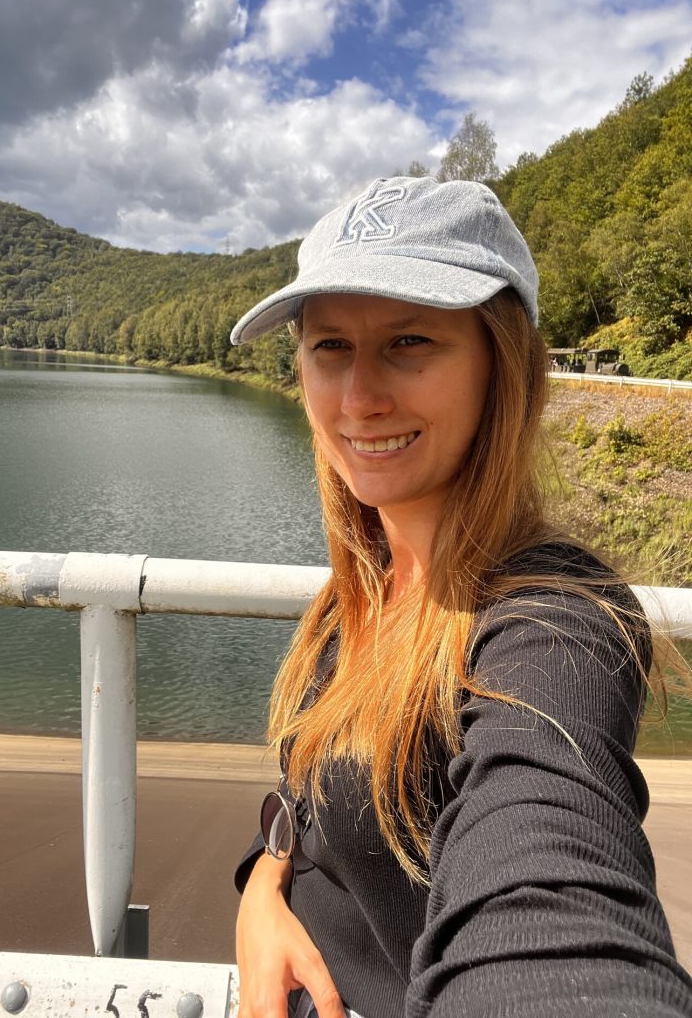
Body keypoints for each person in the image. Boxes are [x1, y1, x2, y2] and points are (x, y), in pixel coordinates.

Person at [228, 177, 692, 1018]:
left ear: (502, 365)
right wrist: (264, 882)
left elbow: (545, 875)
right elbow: (319, 804)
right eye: (330, 346)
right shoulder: (364, 585)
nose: (359, 396)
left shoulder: (553, 620)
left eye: (409, 340)